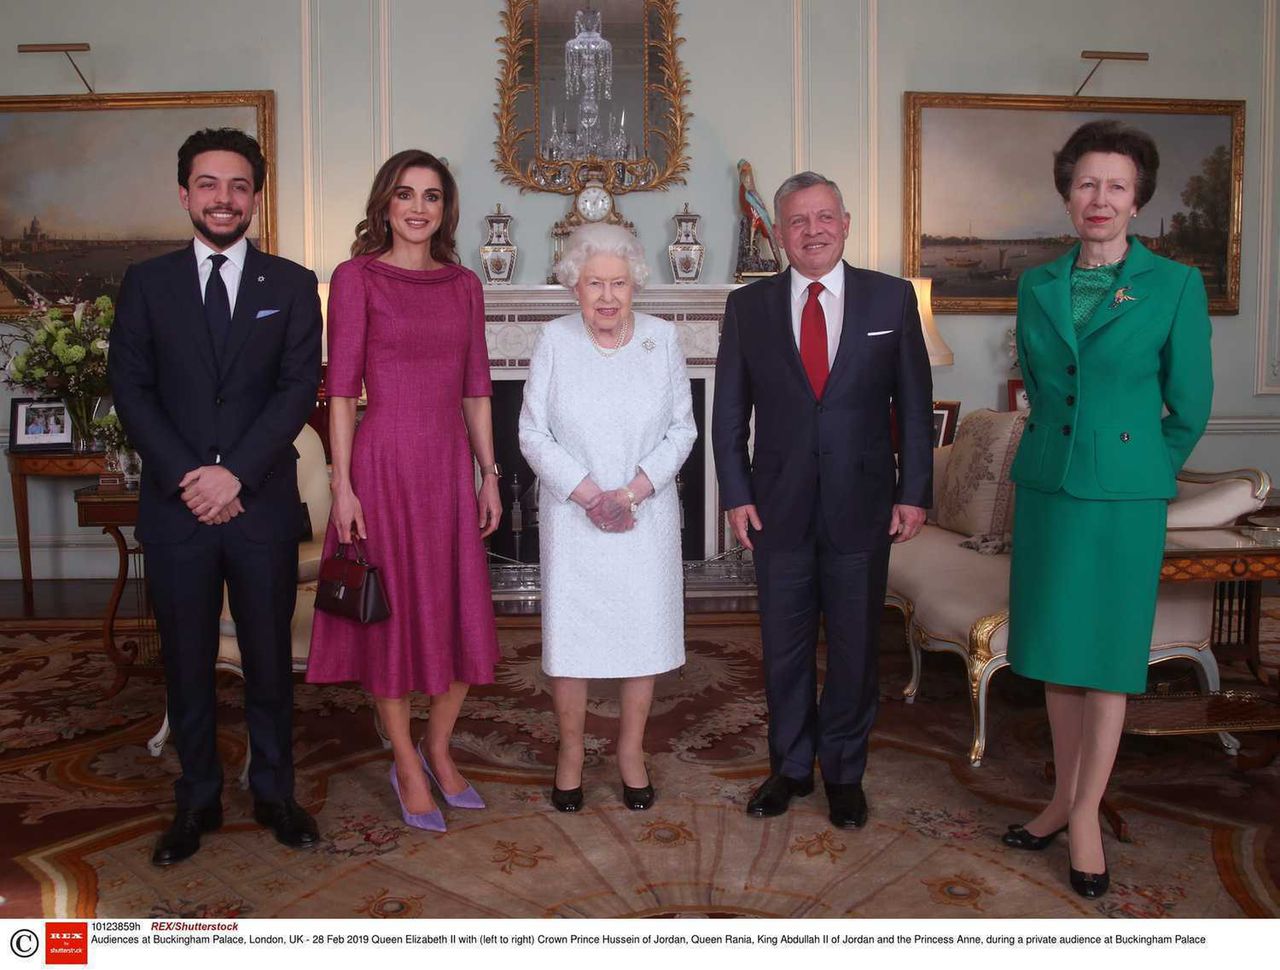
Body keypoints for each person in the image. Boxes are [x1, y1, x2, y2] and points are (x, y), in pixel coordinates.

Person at [1001, 120, 1213, 899]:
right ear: (1067, 193)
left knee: (1109, 658)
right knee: (1058, 652)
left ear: (1137, 199)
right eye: (1086, 183)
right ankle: (1059, 797)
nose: (1100, 199)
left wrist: (1137, 468)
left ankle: (1086, 812)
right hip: (1051, 487)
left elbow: (1188, 408)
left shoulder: (1175, 286)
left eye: (1116, 186)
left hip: (1124, 498)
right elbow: (1040, 383)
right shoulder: (1037, 284)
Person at [108, 128, 323, 865]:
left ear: (256, 200)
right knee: (188, 662)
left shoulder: (293, 285)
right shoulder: (147, 283)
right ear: (185, 194)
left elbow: (298, 388)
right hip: (178, 510)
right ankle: (196, 797)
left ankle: (274, 792)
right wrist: (191, 477)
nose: (223, 198)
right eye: (208, 184)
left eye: (238, 186)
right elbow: (130, 390)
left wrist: (236, 473)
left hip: (259, 504)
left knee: (268, 662)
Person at [712, 171, 932, 829]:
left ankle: (843, 772)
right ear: (778, 233)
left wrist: (914, 491)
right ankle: (787, 767)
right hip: (775, 506)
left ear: (845, 222)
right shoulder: (748, 307)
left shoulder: (890, 301)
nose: (813, 231)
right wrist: (735, 493)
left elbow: (915, 409)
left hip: (862, 503)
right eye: (799, 221)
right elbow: (728, 413)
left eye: (824, 217)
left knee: (856, 645)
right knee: (783, 643)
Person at [306, 150, 501, 832]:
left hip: (448, 471)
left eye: (432, 197)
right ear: (384, 204)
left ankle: (438, 749)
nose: (419, 207)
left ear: (445, 210)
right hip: (383, 467)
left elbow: (478, 387)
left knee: (459, 614)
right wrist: (345, 485)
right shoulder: (356, 278)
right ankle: (407, 765)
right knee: (388, 623)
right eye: (406, 194)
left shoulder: (464, 285)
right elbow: (339, 392)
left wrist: (490, 475)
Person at [519, 224, 696, 813]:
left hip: (643, 516)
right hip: (574, 519)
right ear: (574, 286)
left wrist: (633, 491)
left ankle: (630, 753)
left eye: (618, 283)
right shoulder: (553, 339)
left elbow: (682, 430)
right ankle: (570, 753)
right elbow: (531, 433)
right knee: (572, 640)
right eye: (594, 283)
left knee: (640, 635)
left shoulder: (662, 339)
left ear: (634, 285)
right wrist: (590, 493)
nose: (607, 297)